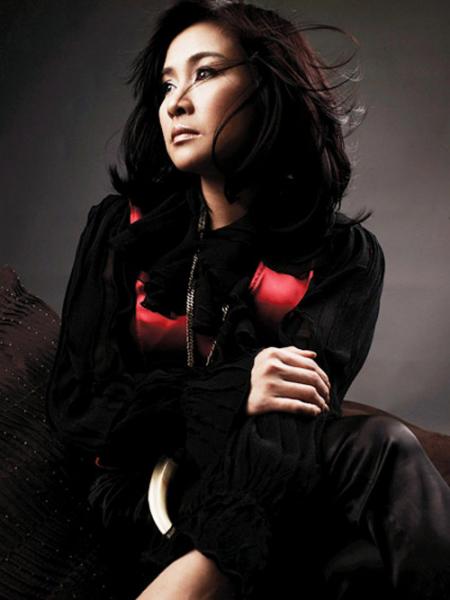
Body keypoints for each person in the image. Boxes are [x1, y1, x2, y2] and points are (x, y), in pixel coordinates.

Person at [45, 1, 450, 599]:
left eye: (205, 73)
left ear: (268, 89)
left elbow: (298, 415)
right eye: (167, 84)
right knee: (378, 455)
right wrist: (238, 390)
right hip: (153, 495)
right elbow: (79, 407)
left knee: (360, 556)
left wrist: (214, 557)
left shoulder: (345, 255)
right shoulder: (120, 230)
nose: (176, 103)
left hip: (279, 482)